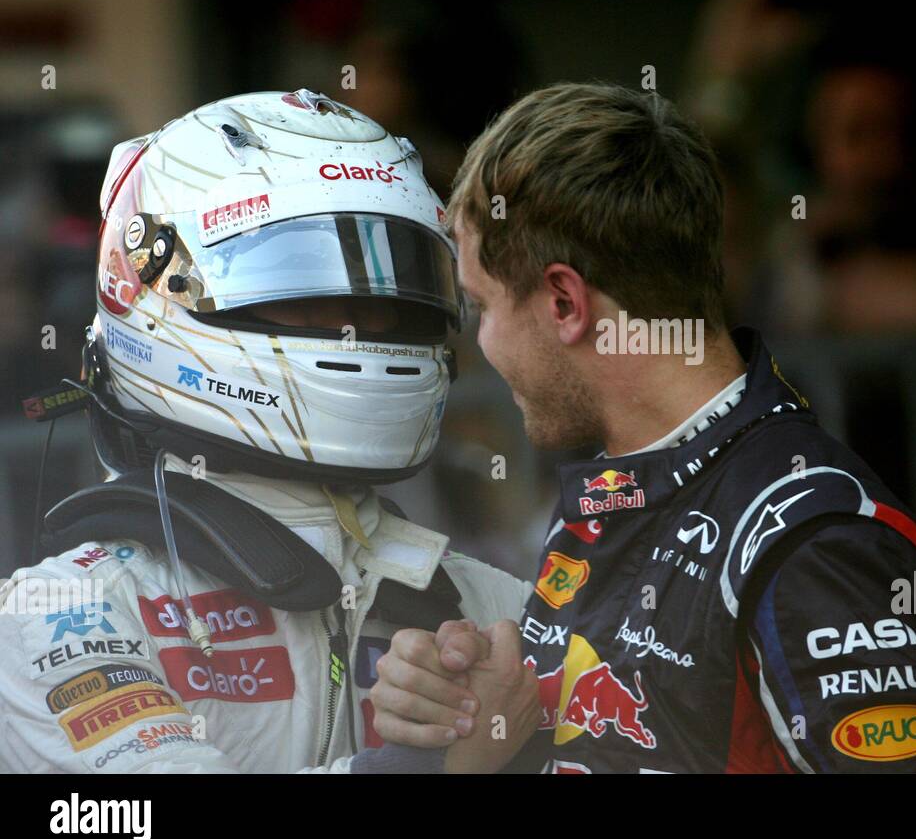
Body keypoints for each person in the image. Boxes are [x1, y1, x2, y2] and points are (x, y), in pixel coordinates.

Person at [368, 82, 916, 773]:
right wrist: (466, 721)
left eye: (482, 306)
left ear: (564, 301)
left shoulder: (810, 540)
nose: (480, 345)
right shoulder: (611, 498)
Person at [0, 90, 532, 772]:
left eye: (390, 292)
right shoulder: (66, 612)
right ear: (155, 288)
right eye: (306, 288)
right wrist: (437, 766)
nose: (358, 324)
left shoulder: (489, 612)